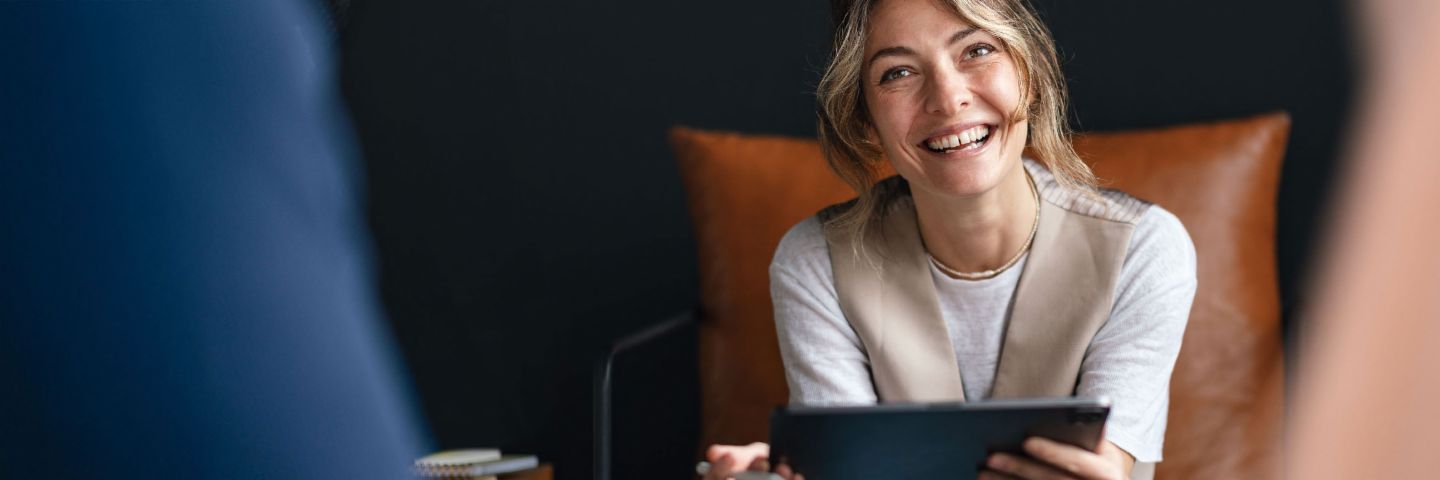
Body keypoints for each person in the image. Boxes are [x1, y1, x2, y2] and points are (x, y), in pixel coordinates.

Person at [702, 0, 1195, 479]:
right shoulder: (815, 263)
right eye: (897, 72)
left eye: (977, 50)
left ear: (1032, 71)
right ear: (864, 122)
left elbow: (1103, 470)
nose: (948, 97)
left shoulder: (1143, 249)